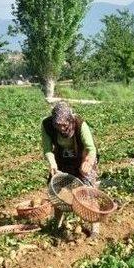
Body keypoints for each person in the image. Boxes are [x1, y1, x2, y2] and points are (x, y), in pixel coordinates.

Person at [42, 102, 99, 237]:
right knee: (57, 190)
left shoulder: (79, 124)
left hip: (83, 156)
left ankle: (95, 227)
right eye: (58, 125)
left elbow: (91, 148)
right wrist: (52, 163)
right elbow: (47, 149)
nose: (61, 128)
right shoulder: (47, 125)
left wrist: (88, 163)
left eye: (64, 124)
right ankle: (57, 224)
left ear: (69, 119)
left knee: (88, 190)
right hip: (62, 158)